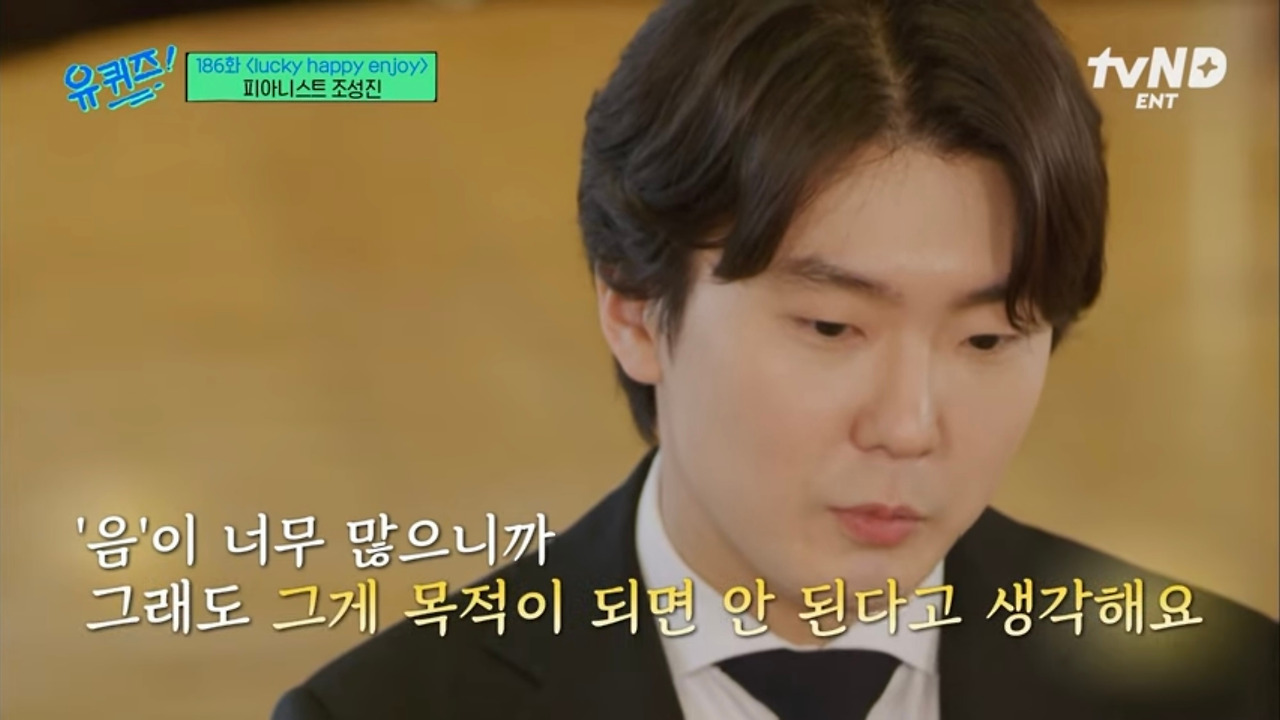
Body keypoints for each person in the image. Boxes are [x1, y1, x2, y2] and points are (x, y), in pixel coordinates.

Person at [272, 0, 1280, 718]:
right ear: (633, 309)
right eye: (831, 329)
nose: (908, 427)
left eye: (986, 339)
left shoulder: (1228, 688)